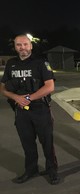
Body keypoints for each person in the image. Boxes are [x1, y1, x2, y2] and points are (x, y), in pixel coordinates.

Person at [0, 34, 60, 185]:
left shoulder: (41, 63)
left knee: (47, 142)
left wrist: (28, 98)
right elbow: (2, 87)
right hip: (21, 110)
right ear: (15, 47)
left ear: (31, 46)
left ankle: (52, 171)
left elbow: (50, 86)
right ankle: (31, 170)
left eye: (25, 44)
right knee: (27, 142)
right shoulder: (11, 64)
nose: (22, 48)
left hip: (40, 108)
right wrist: (15, 97)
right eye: (19, 45)